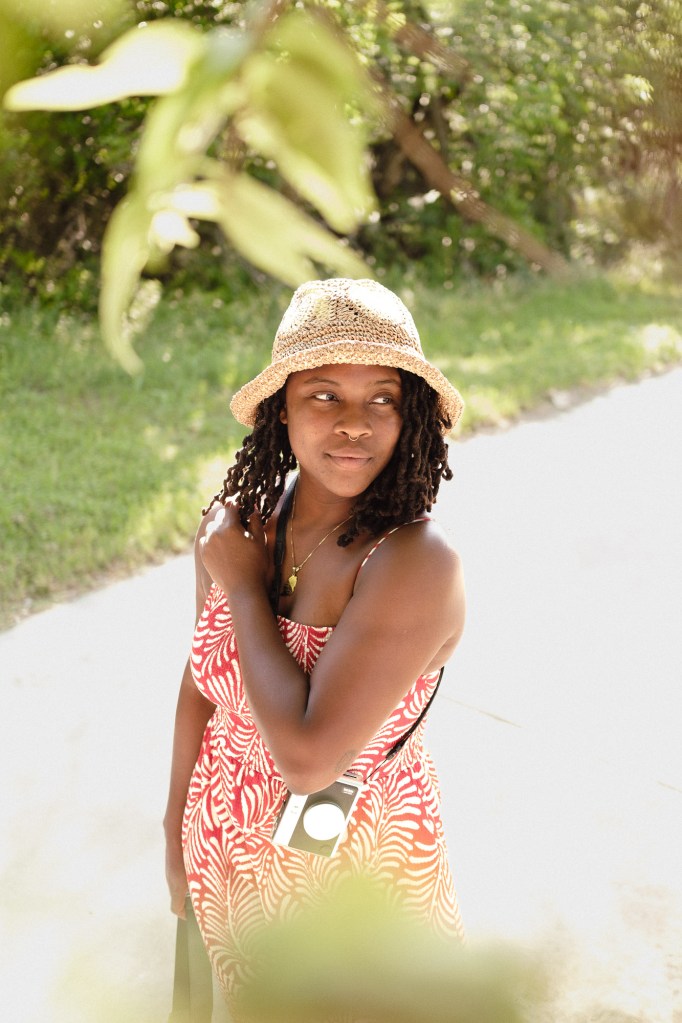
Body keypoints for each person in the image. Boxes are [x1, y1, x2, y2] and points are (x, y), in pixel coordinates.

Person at [163, 277, 467, 1010]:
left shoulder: (413, 563)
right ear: (281, 409)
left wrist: (244, 589)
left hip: (352, 881)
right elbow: (202, 684)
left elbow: (308, 762)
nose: (354, 423)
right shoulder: (239, 526)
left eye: (382, 398)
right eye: (324, 395)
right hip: (223, 847)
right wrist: (175, 832)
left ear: (411, 414)